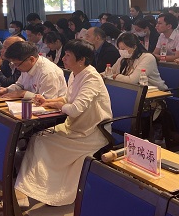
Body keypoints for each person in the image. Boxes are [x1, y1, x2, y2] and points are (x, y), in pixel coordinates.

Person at [13, 40, 111, 207]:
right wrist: (48, 101)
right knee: (38, 138)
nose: (63, 58)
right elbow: (68, 98)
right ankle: (34, 190)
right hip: (75, 126)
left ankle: (40, 191)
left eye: (68, 55)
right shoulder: (75, 73)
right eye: (64, 54)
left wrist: (57, 105)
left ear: (81, 60)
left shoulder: (92, 77)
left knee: (42, 141)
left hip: (92, 131)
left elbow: (75, 109)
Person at [0, 41, 67, 100]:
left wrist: (23, 94)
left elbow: (47, 100)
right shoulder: (26, 65)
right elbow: (20, 85)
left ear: (31, 59)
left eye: (17, 64)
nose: (16, 67)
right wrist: (6, 90)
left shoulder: (48, 72)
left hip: (51, 112)